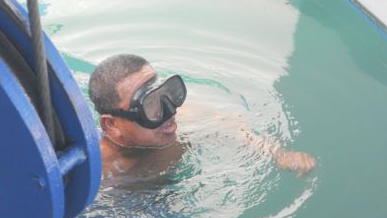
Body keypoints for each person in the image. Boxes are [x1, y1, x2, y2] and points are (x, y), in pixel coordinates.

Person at [88, 53, 316, 177]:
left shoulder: (182, 117)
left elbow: (230, 124)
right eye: (150, 104)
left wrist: (277, 153)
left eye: (167, 94)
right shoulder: (99, 172)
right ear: (111, 125)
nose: (171, 113)